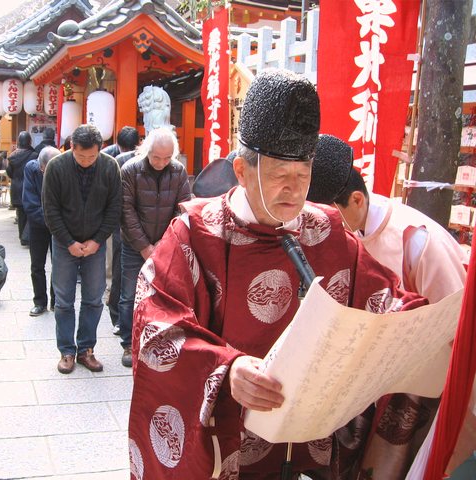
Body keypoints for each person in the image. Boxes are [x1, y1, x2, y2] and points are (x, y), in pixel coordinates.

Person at [127, 68, 429, 479]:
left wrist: (418, 326)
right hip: (232, 443)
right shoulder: (196, 234)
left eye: (303, 176)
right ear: (241, 170)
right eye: (278, 176)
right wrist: (227, 370)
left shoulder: (327, 230)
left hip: (313, 436)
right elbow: (155, 327)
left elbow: (384, 298)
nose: (293, 191)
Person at [307, 134, 469, 477]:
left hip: (417, 386)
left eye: (330, 215)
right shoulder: (337, 234)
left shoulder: (417, 241)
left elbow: (455, 325)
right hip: (366, 377)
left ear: (356, 199)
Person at [42, 124, 121, 374]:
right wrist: (68, 242)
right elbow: (50, 210)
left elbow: (114, 208)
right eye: (81, 156)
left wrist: (98, 240)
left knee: (93, 298)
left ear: (100, 149)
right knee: (64, 299)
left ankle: (86, 349)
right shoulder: (56, 167)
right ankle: (66, 350)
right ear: (71, 147)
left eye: (92, 156)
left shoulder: (110, 167)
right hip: (65, 242)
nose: (87, 161)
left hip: (95, 244)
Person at [118, 127, 191, 367]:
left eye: (167, 158)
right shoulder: (130, 171)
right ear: (146, 151)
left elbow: (183, 210)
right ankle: (129, 344)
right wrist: (144, 247)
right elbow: (126, 212)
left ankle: (154, 340)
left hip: (165, 246)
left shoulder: (178, 172)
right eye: (156, 157)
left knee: (161, 295)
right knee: (129, 295)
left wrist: (163, 243)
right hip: (133, 245)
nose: (161, 163)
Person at [101, 126, 141, 335]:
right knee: (118, 270)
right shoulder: (113, 161)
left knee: (119, 269)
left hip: (127, 224)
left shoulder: (111, 158)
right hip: (120, 224)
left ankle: (120, 316)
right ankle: (118, 315)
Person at [23, 146, 61, 316]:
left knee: (58, 264)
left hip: (59, 226)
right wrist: (50, 220)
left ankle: (56, 301)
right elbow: (29, 203)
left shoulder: (64, 168)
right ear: (42, 167)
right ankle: (39, 301)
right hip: (38, 224)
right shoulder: (31, 169)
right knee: (37, 265)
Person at [6, 131, 38, 246]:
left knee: (20, 214)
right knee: (30, 212)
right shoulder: (34, 155)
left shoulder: (12, 156)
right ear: (30, 141)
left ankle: (22, 236)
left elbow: (9, 173)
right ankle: (28, 236)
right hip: (29, 187)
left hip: (16, 187)